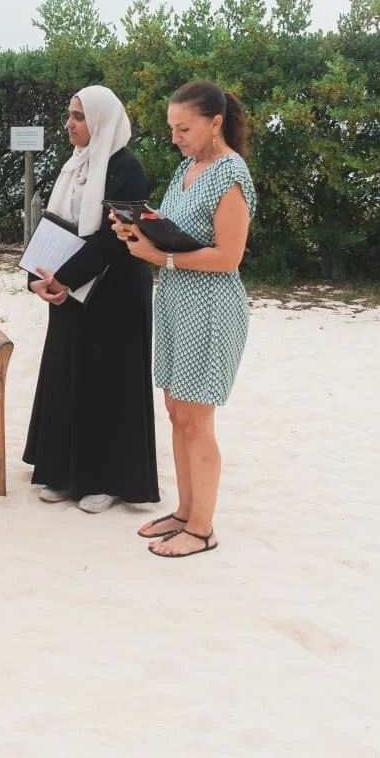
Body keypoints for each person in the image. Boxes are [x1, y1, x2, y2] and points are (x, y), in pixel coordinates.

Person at [115, 81, 257, 558]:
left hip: (212, 307)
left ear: (214, 123)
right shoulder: (186, 168)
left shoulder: (230, 173)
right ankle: (184, 511)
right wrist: (138, 226)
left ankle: (202, 528)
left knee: (198, 419)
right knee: (177, 413)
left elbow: (228, 257)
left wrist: (160, 258)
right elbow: (180, 231)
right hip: (177, 303)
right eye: (172, 128)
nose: (176, 136)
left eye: (184, 127)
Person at [23, 85, 160, 513]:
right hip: (71, 291)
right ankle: (64, 473)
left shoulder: (127, 168)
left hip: (116, 292)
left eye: (78, 117)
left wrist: (63, 278)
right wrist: (37, 279)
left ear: (100, 120)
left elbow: (115, 239)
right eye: (69, 115)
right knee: (69, 373)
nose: (69, 124)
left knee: (108, 381)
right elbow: (53, 225)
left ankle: (108, 480)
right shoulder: (74, 167)